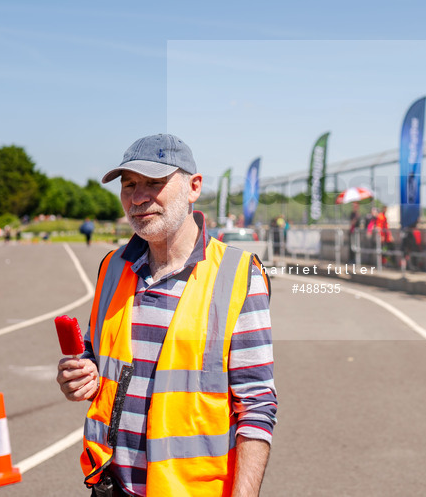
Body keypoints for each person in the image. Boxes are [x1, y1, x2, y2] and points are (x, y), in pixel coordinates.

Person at [56, 134, 276, 497]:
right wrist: (82, 375)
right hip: (110, 486)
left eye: (154, 183)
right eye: (129, 185)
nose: (138, 197)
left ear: (193, 187)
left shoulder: (238, 274)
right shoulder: (113, 267)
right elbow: (99, 359)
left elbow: (256, 404)